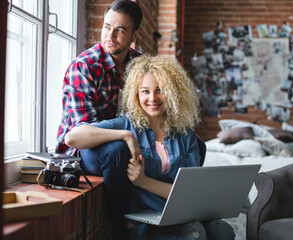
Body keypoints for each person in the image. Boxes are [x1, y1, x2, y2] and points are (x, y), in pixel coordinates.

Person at [65, 55, 235, 240]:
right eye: (145, 91)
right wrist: (125, 135)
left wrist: (143, 181)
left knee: (222, 230)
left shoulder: (187, 136)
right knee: (194, 234)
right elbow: (72, 138)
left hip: (181, 215)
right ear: (136, 94)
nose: (152, 98)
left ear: (172, 92)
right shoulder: (126, 124)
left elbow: (187, 192)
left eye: (160, 90)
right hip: (146, 221)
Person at [56, 0, 143, 155]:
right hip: (82, 149)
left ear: (134, 36)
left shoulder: (140, 64)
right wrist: (125, 134)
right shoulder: (83, 67)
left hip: (124, 139)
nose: (110, 35)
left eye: (120, 30)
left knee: (189, 142)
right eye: (107, 27)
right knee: (117, 151)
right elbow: (84, 131)